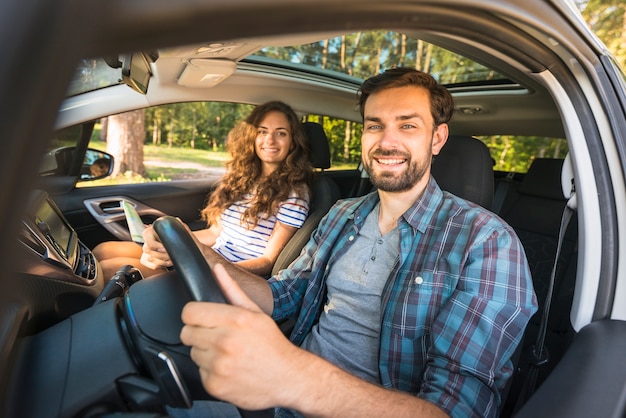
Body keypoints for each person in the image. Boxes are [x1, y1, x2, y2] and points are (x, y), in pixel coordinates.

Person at [157, 68, 537, 418]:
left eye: (407, 126)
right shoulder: (342, 214)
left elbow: (455, 411)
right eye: (375, 126)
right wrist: (202, 256)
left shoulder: (487, 242)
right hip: (275, 396)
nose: (387, 142)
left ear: (437, 138)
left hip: (288, 386)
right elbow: (284, 294)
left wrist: (292, 376)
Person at [93, 101, 314, 280]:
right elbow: (215, 234)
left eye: (281, 133)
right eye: (262, 131)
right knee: (102, 251)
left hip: (222, 274)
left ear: (293, 142)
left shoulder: (294, 195)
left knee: (108, 270)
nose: (270, 140)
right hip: (205, 258)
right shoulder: (244, 180)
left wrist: (209, 267)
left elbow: (268, 262)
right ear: (252, 136)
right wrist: (173, 241)